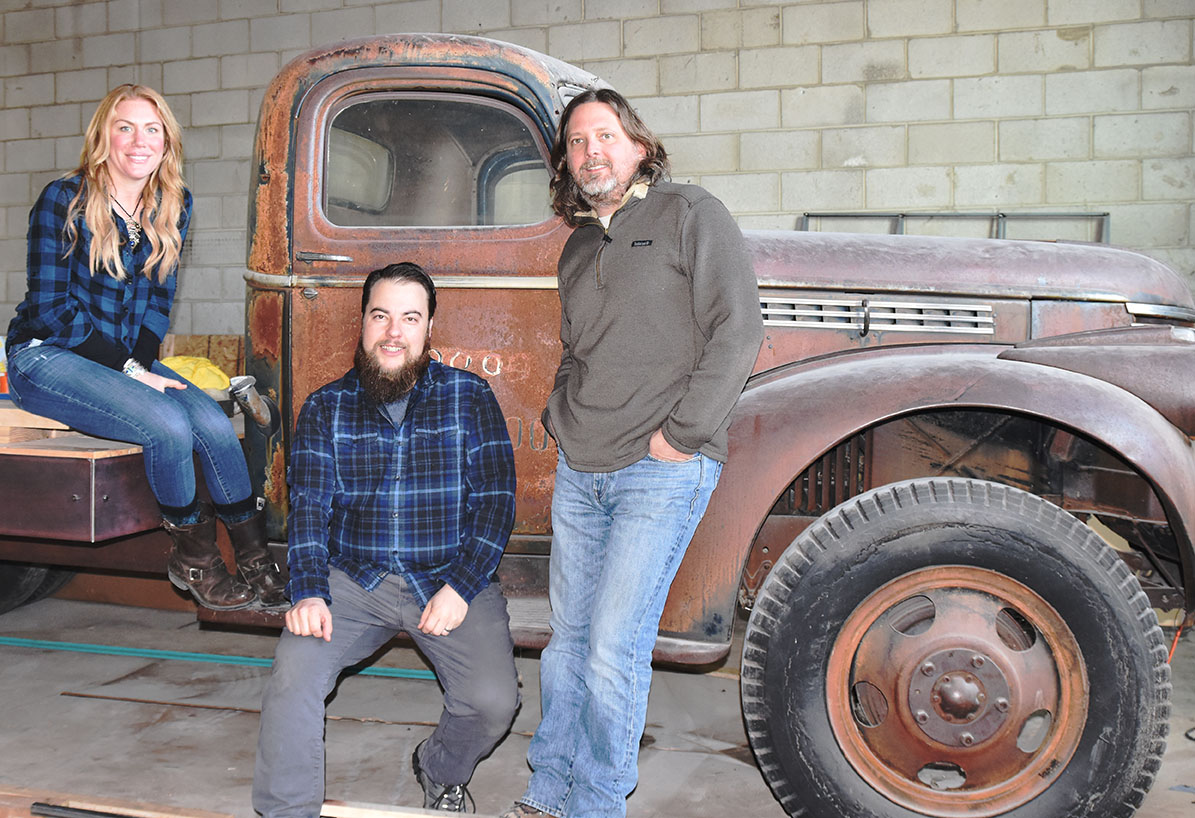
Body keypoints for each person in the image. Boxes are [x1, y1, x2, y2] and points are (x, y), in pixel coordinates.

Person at [502, 89, 764, 818]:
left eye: (606, 136)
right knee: (566, 646)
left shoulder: (689, 213)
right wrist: (562, 417)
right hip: (583, 469)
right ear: (566, 161)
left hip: (660, 468)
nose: (592, 151)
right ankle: (549, 789)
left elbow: (737, 331)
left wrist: (678, 437)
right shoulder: (579, 246)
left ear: (638, 145)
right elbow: (574, 352)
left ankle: (595, 804)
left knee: (613, 648)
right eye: (578, 142)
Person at [252, 262, 520, 816]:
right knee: (293, 677)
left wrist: (462, 587)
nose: (393, 331)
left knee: (494, 703)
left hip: (446, 577)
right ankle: (286, 811)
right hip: (355, 581)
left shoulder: (470, 398)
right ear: (363, 325)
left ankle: (439, 766)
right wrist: (307, 591)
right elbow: (308, 510)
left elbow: (495, 504)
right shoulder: (326, 407)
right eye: (381, 316)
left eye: (409, 318)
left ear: (427, 331)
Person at [4, 84, 284, 611]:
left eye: (151, 129)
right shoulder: (63, 199)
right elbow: (50, 311)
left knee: (213, 426)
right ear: (103, 138)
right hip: (47, 355)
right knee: (168, 425)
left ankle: (256, 561)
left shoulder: (171, 204)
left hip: (122, 363)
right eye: (125, 127)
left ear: (166, 142)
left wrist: (144, 362)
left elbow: (159, 299)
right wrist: (133, 370)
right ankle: (194, 561)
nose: (139, 141)